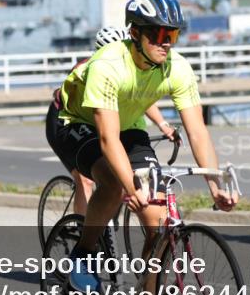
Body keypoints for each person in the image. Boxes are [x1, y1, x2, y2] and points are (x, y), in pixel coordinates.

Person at [57, 0, 238, 295]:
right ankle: (81, 255)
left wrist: (214, 181)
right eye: (157, 35)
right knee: (109, 183)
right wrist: (131, 188)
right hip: (79, 122)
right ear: (134, 33)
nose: (165, 44)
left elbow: (197, 130)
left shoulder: (177, 67)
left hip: (128, 125)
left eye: (171, 36)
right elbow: (108, 141)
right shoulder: (109, 64)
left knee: (157, 224)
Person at [46, 26, 178, 215]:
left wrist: (163, 124)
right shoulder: (93, 68)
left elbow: (142, 99)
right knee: (86, 179)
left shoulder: (131, 67)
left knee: (123, 173)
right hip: (64, 120)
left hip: (102, 122)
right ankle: (82, 228)